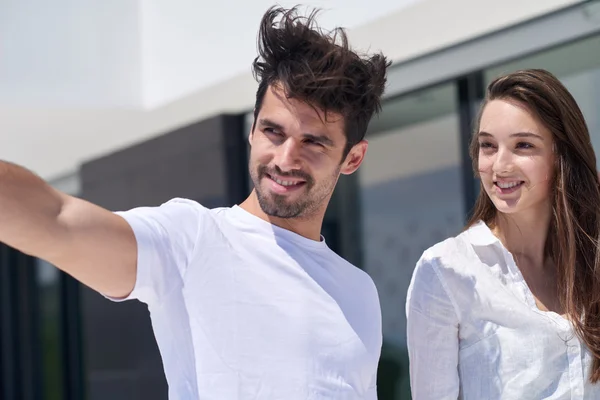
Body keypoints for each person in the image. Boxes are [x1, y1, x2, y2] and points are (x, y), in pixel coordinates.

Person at [0, 6, 390, 399]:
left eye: (313, 142)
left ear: (352, 158)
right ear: (253, 130)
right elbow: (58, 219)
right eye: (274, 131)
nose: (286, 158)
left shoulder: (358, 291)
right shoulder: (193, 239)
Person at [406, 69, 600, 399]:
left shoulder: (592, 261)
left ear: (561, 155)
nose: (500, 166)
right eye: (488, 146)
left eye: (523, 145)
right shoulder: (445, 272)